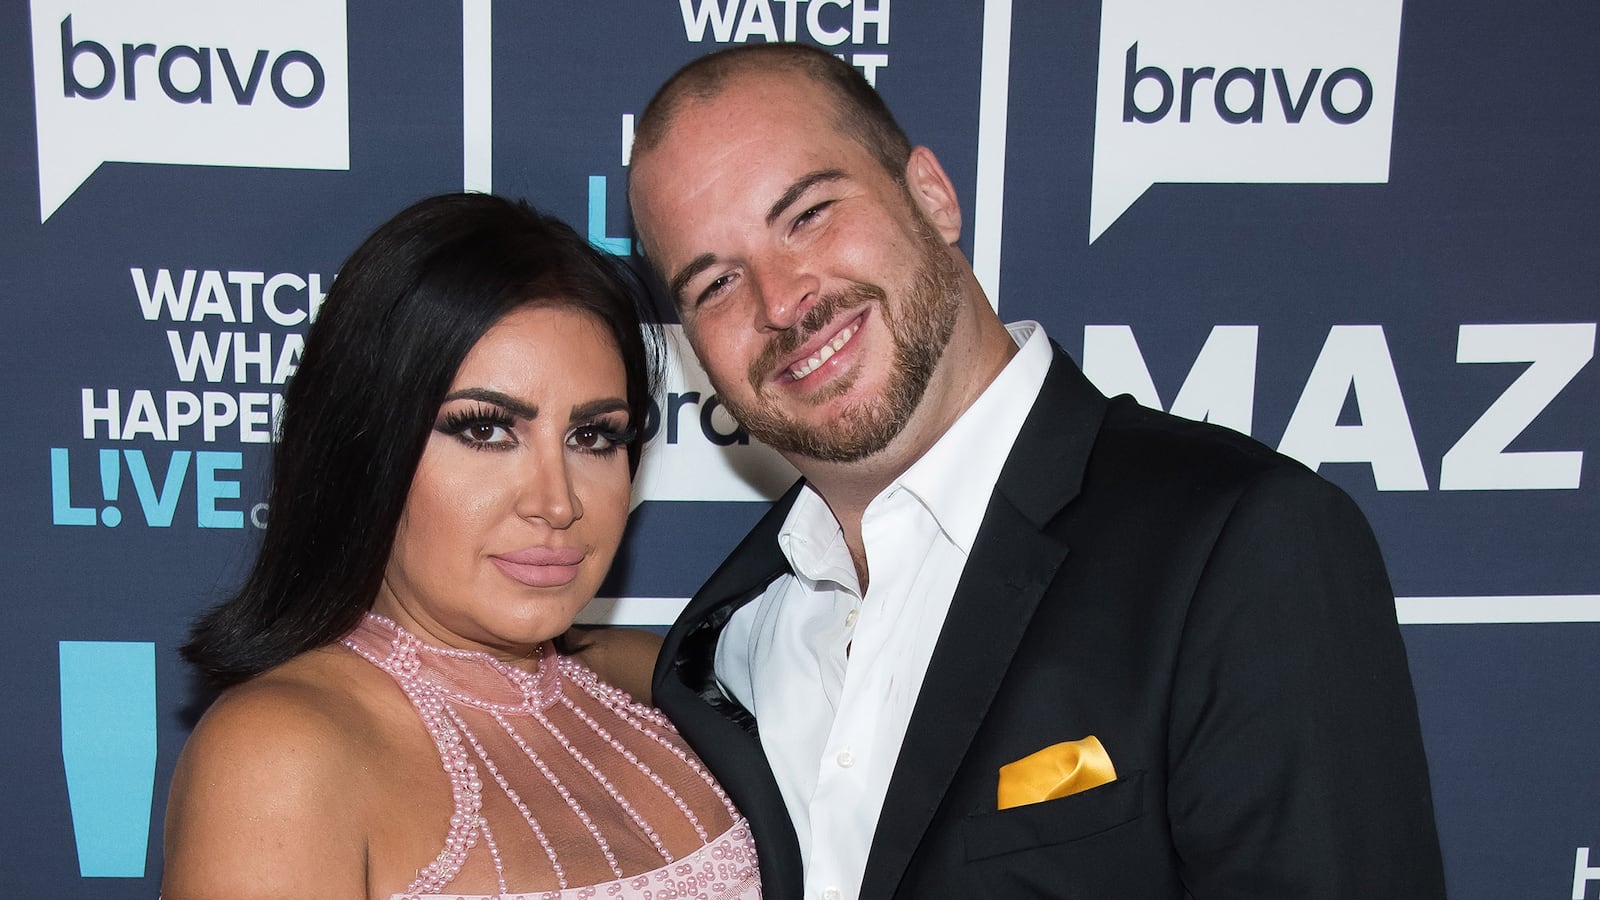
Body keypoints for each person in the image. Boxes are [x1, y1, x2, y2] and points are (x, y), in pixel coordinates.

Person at [627, 43, 1447, 900]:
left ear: (931, 195)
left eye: (809, 215)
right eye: (715, 283)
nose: (781, 300)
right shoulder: (731, 638)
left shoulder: (1240, 547)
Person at [162, 193, 760, 900]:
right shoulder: (277, 757)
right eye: (484, 431)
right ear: (366, 447)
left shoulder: (651, 676)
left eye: (594, 436)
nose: (557, 501)